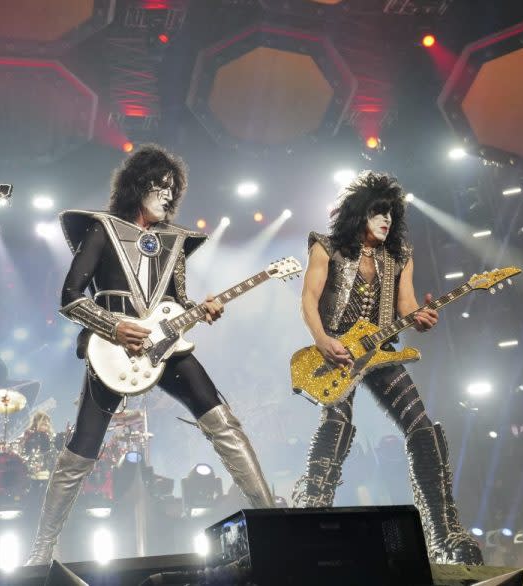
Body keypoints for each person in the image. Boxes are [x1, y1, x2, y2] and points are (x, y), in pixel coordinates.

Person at [26, 144, 272, 565]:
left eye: (173, 190)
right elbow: (69, 298)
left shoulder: (174, 242)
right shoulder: (101, 230)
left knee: (223, 421)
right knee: (82, 449)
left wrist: (203, 311)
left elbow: (176, 303)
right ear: (138, 186)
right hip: (112, 352)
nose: (168, 196)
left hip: (168, 349)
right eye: (160, 187)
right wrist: (114, 327)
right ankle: (42, 548)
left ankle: (272, 520)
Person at [293, 171, 482, 564]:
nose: (387, 220)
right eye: (379, 212)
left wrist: (422, 318)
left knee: (423, 428)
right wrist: (322, 340)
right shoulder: (326, 247)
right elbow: (308, 300)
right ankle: (311, 516)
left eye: (392, 214)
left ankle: (444, 536)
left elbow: (407, 307)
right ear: (360, 212)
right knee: (337, 423)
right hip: (336, 354)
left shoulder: (399, 256)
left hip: (379, 352)